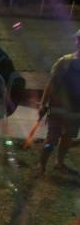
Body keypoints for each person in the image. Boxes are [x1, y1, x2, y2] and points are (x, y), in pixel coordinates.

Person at [36, 29, 80, 175]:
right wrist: (43, 104)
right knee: (52, 136)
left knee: (68, 136)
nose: (79, 42)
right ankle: (41, 164)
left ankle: (59, 163)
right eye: (78, 39)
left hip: (76, 109)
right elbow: (51, 83)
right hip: (58, 107)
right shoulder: (65, 61)